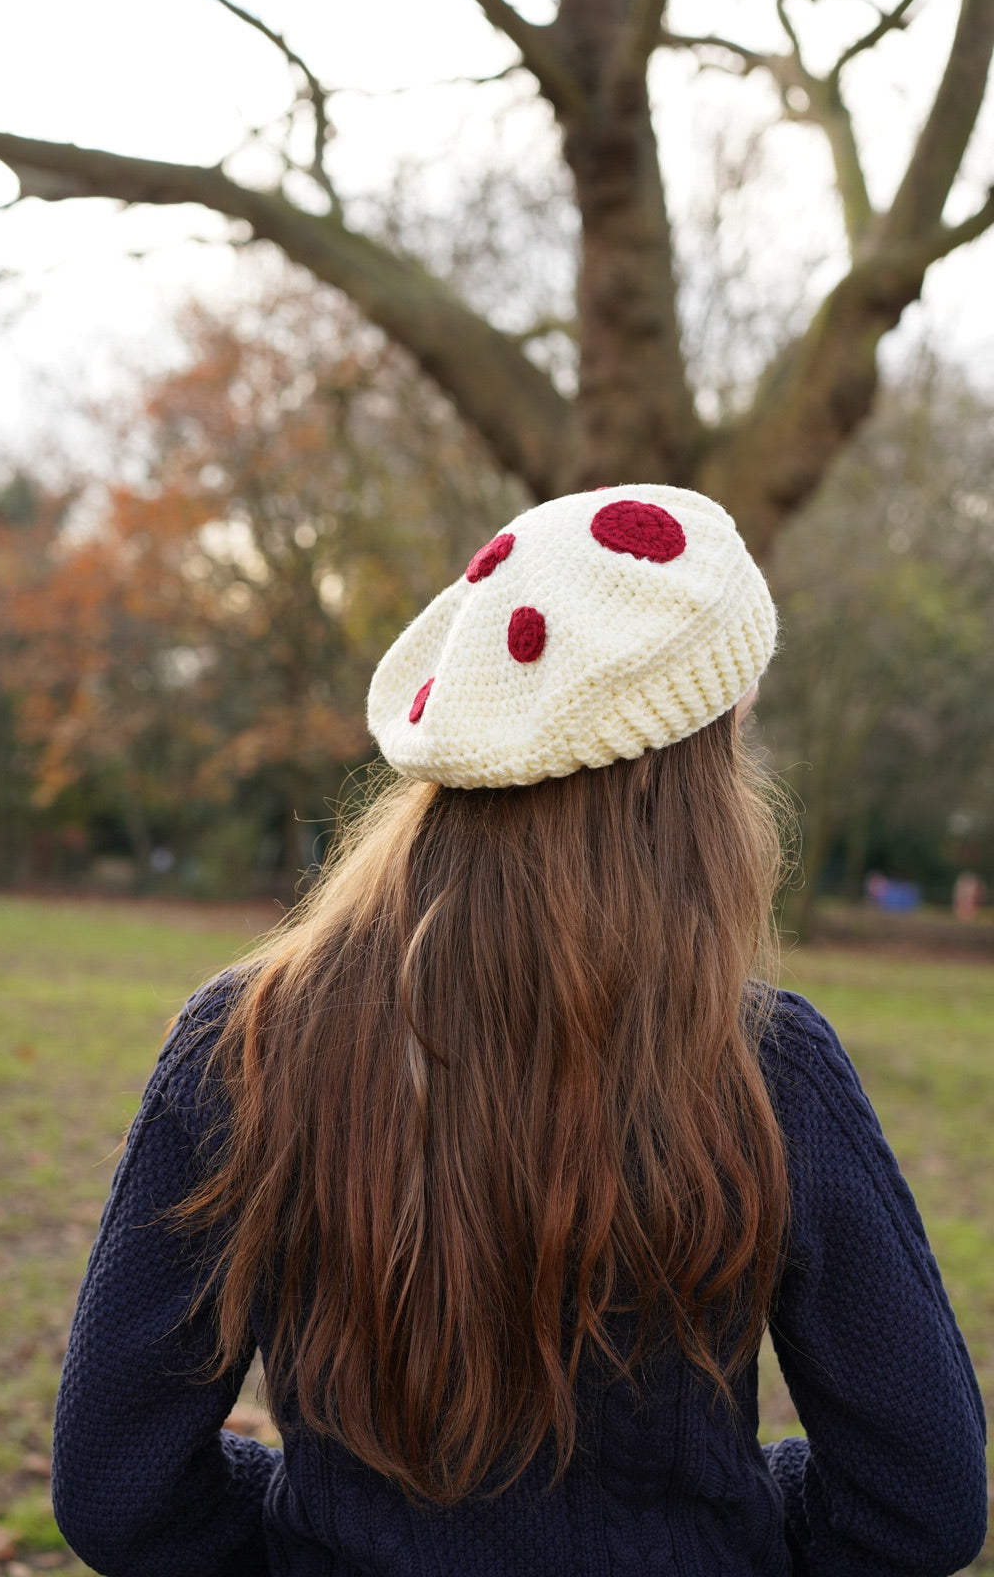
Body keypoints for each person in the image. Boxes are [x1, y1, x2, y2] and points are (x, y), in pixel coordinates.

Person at [52, 485, 987, 1577]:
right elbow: (921, 1503)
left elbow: (116, 1490)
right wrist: (729, 1519)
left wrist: (314, 1523)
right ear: (699, 766)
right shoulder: (768, 1068)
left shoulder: (247, 1045)